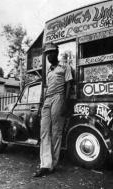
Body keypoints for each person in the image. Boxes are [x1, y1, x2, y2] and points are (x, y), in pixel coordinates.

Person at [33, 42, 73, 177]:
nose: (49, 55)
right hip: (47, 100)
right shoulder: (49, 71)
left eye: (51, 52)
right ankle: (45, 164)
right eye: (47, 53)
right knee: (44, 131)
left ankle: (52, 165)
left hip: (58, 98)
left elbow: (68, 85)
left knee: (56, 132)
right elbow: (46, 88)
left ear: (57, 52)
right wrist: (42, 104)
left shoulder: (65, 66)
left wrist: (65, 103)